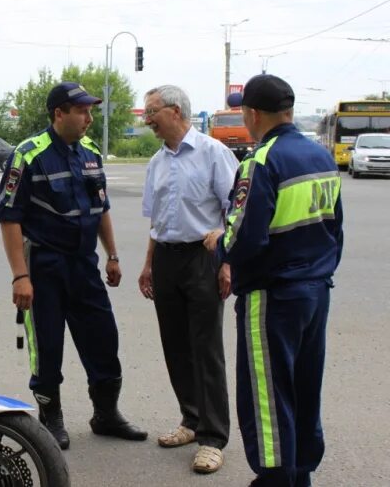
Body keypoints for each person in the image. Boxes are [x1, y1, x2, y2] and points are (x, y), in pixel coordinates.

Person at [204, 75, 343, 487]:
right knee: (303, 388)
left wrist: (218, 243)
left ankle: (275, 479)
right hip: (315, 290)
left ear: (251, 113)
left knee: (267, 394)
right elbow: (337, 229)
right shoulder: (320, 157)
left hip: (272, 295)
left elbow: (245, 237)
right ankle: (300, 474)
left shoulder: (261, 162)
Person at [0, 81, 147, 450]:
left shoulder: (91, 152)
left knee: (104, 341)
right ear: (58, 113)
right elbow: (9, 218)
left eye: (90, 111)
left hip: (84, 266)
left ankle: (106, 414)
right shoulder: (28, 155)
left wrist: (111, 254)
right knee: (47, 348)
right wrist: (20, 276)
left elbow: (102, 208)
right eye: (81, 111)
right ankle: (51, 417)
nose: (88, 119)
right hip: (43, 268)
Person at [138, 85, 237, 473]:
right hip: (166, 258)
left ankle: (214, 437)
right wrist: (148, 264)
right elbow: (156, 220)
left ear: (175, 111)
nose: (147, 120)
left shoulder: (215, 154)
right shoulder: (156, 162)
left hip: (204, 258)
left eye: (151, 112)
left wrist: (227, 262)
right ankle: (191, 420)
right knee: (175, 345)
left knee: (206, 348)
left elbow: (235, 209)